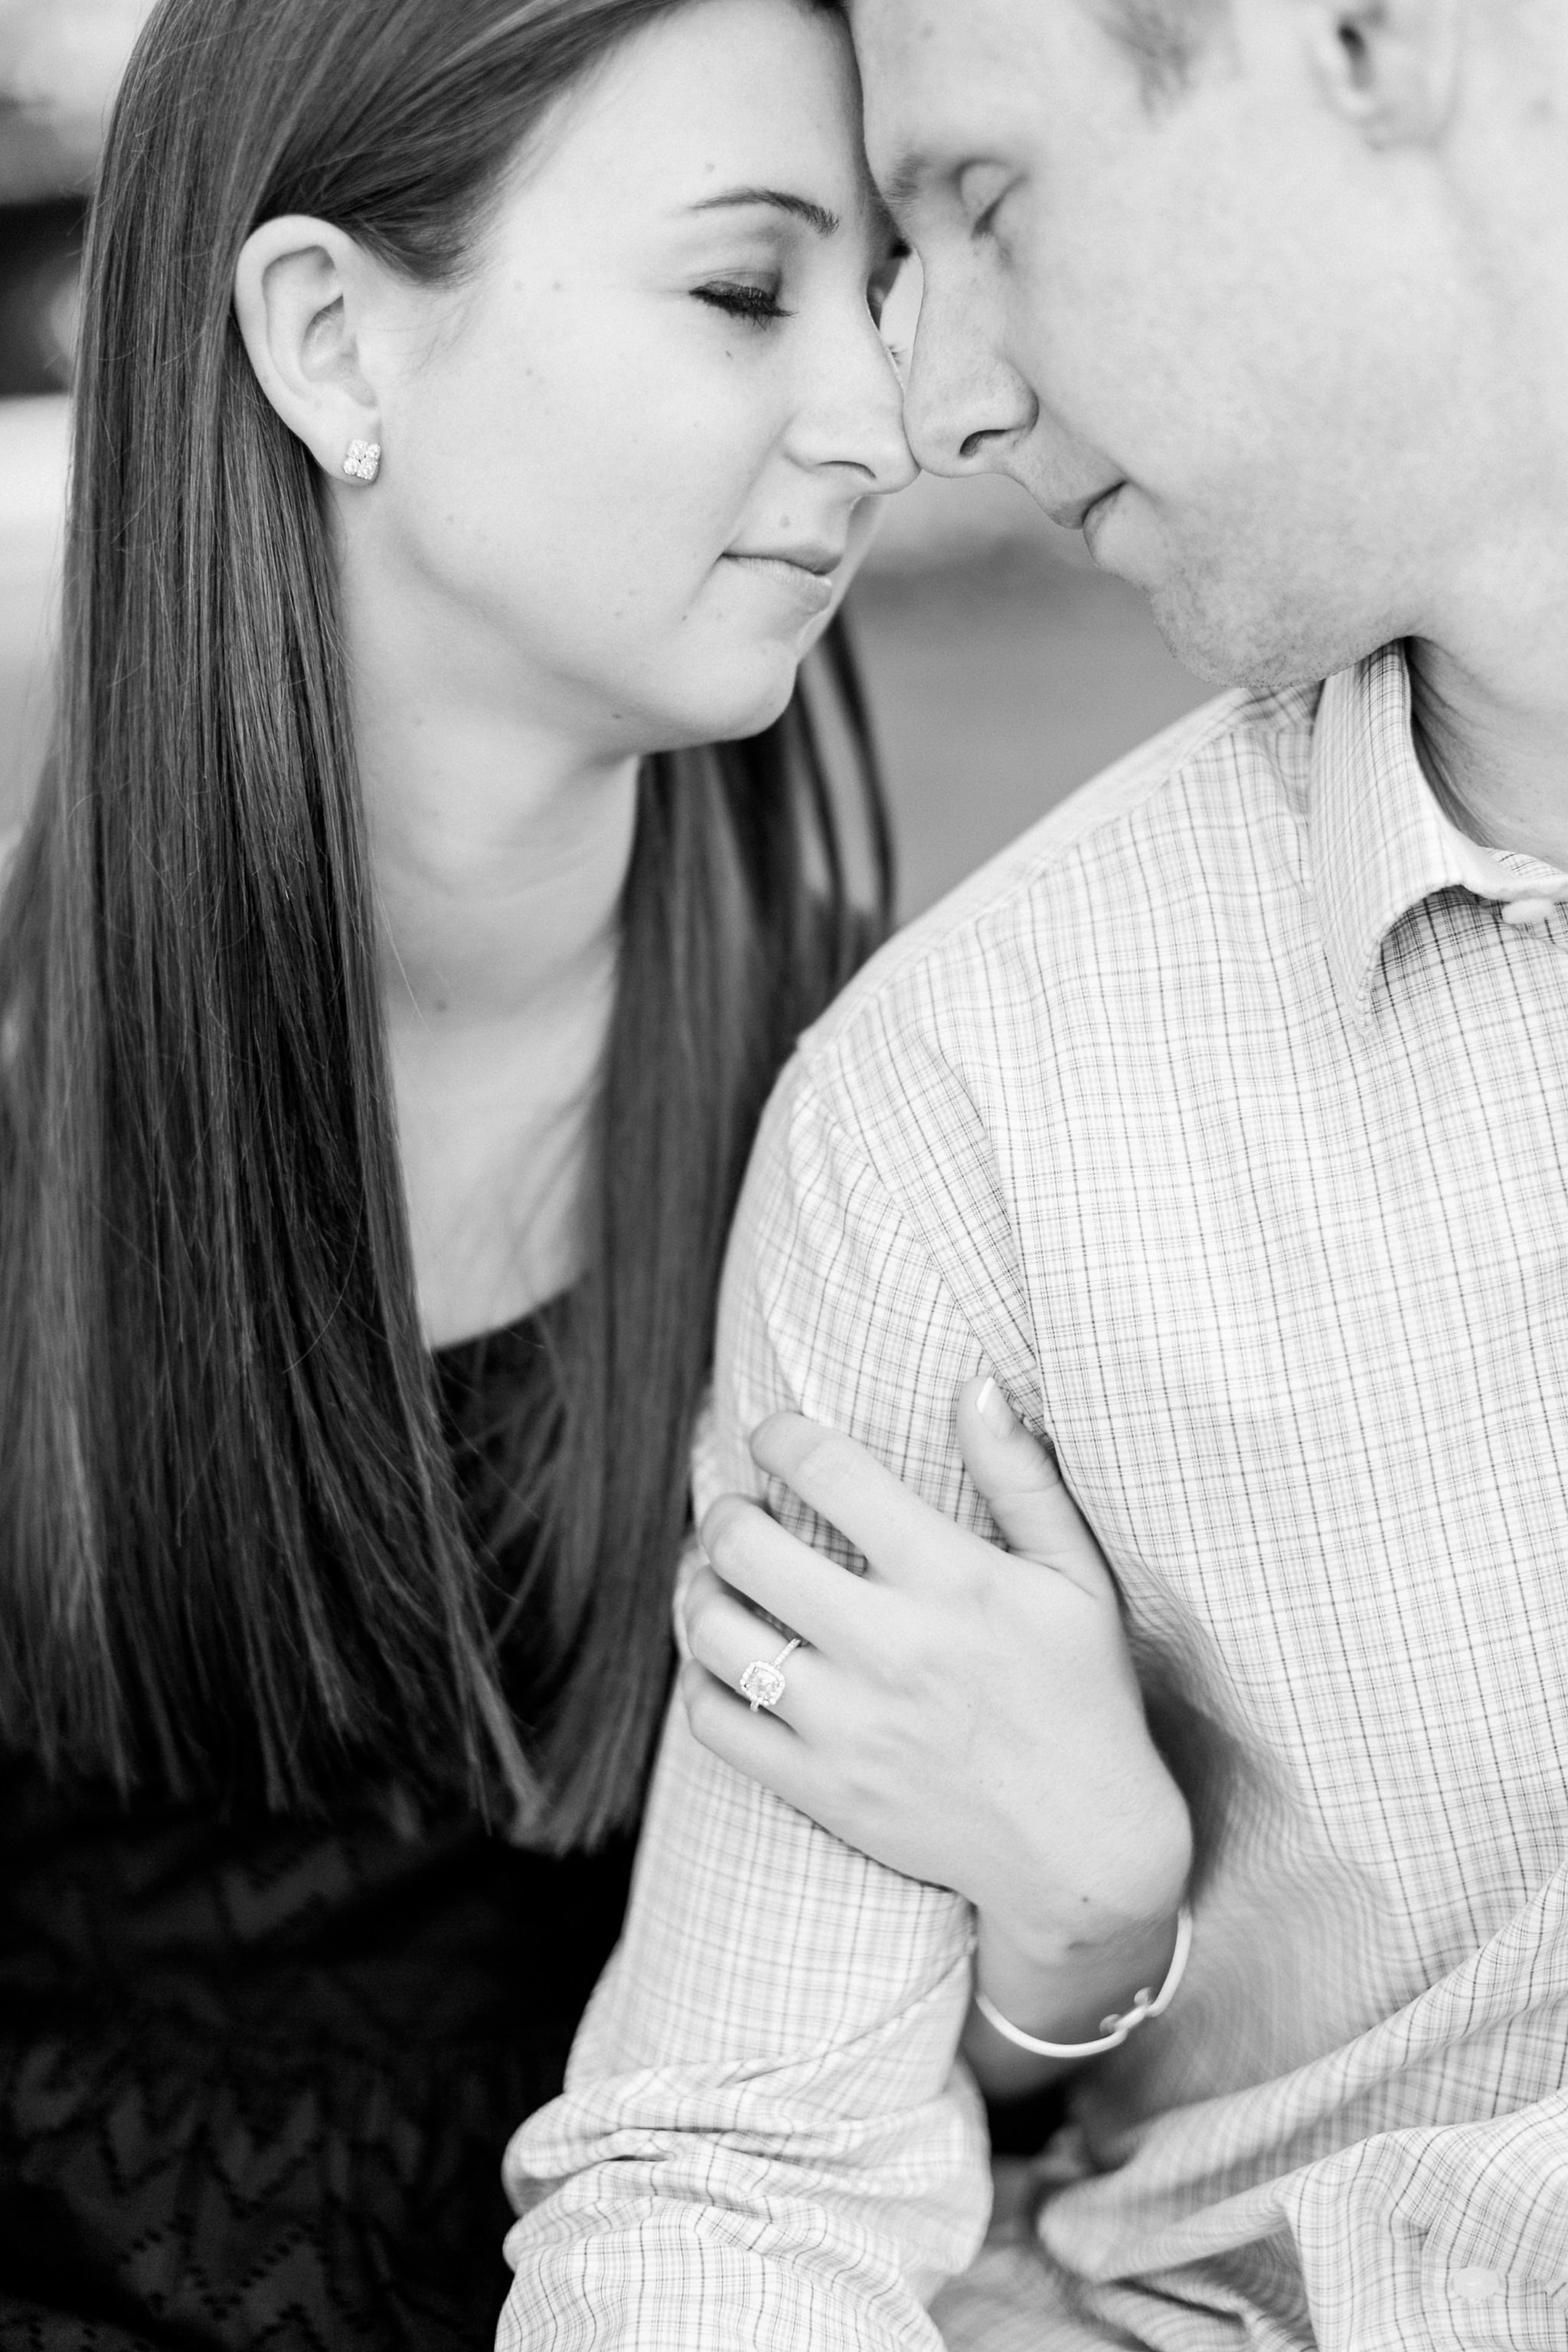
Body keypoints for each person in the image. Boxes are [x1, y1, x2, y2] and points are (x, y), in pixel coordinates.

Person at [501, 1, 1568, 2346]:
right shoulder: (962, 1099)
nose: (942, 404)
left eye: (987, 201)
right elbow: (730, 2179)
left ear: (1371, 43)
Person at [0, 0, 920, 2343]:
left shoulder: (906, 1121)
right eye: (746, 291)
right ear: (325, 338)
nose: (882, 427)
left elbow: (942, 2078)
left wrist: (1105, 1922)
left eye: (887, 291)